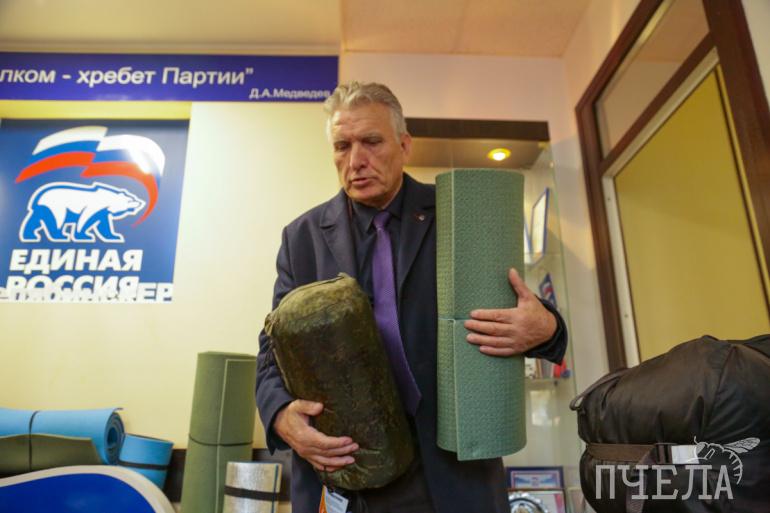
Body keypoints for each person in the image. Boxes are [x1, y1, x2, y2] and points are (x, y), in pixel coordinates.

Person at [256, 81, 567, 513]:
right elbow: (272, 350)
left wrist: (546, 327)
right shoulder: (302, 238)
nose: (356, 160)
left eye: (371, 142)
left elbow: (521, 308)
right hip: (347, 472)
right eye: (342, 146)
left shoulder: (458, 214)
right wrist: (279, 416)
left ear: (404, 145)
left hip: (451, 476)